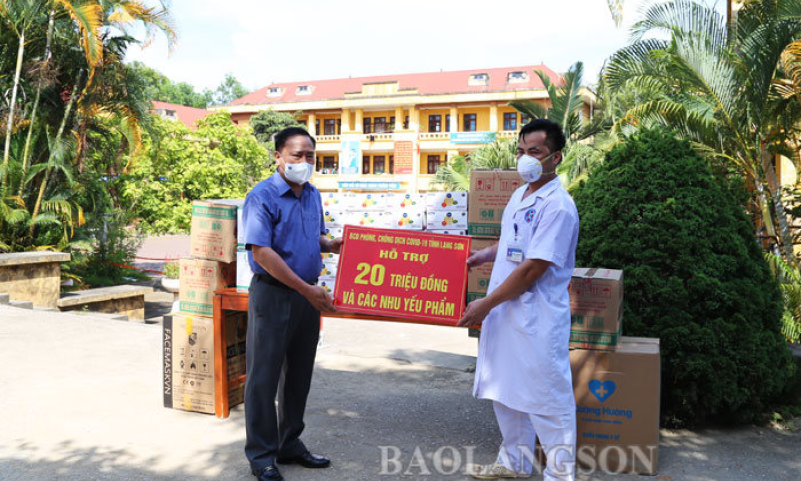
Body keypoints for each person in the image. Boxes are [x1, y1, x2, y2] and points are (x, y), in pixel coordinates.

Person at [458, 119, 579, 481]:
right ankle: (513, 463)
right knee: (506, 388)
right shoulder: (521, 193)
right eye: (522, 151)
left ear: (555, 157)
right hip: (507, 311)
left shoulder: (558, 206)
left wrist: (484, 304)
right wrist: (485, 255)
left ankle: (560, 476)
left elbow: (532, 269)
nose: (525, 159)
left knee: (547, 398)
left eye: (536, 152)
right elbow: (515, 242)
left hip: (535, 317)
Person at [242, 127, 340, 481]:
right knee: (263, 379)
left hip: (307, 296)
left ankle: (290, 443)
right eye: (296, 155)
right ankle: (262, 455)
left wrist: (332, 245)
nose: (304, 162)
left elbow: (313, 237)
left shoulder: (312, 194)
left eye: (310, 155)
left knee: (299, 375)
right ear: (278, 157)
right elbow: (262, 251)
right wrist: (304, 289)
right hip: (274, 294)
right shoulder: (262, 196)